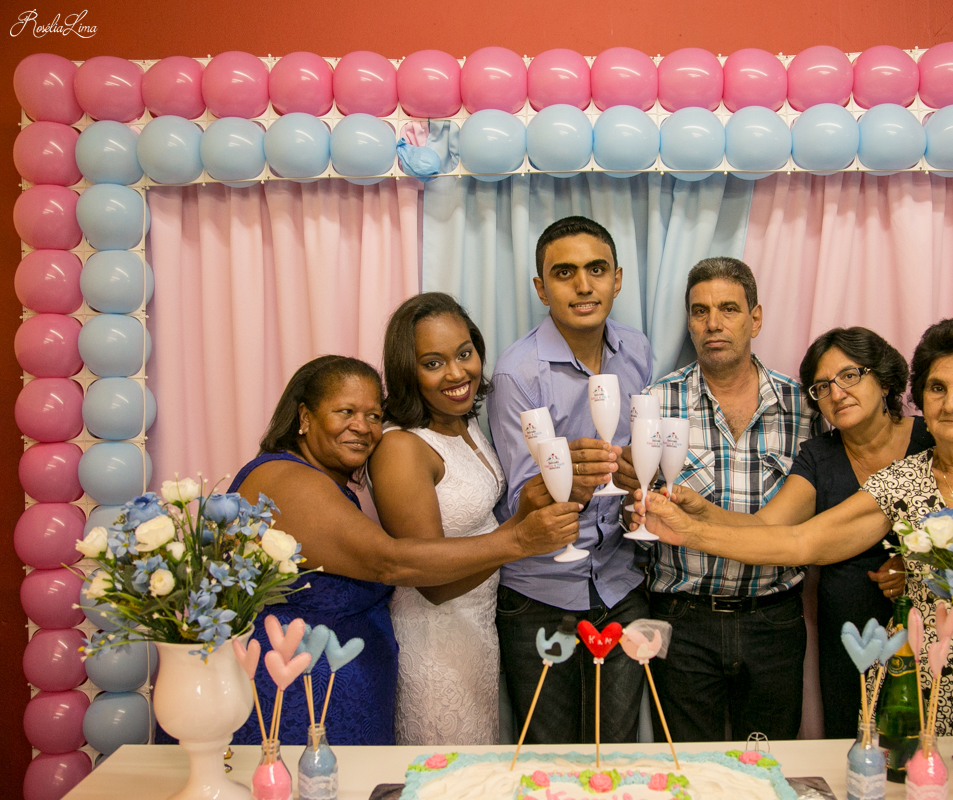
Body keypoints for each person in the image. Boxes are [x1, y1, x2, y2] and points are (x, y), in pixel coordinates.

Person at [636, 317, 953, 747]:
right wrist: (689, 530)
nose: (951, 403)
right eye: (937, 388)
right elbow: (802, 541)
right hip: (927, 701)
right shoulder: (903, 481)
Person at [229, 355, 581, 746]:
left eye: (374, 416)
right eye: (346, 412)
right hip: (293, 708)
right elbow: (389, 562)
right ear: (305, 417)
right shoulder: (285, 480)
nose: (362, 427)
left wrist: (520, 523)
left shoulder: (327, 484)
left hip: (340, 705)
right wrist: (518, 540)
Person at [657, 326, 931, 739]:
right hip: (849, 634)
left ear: (885, 380)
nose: (836, 393)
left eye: (850, 376)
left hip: (928, 630)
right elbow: (770, 528)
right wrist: (701, 512)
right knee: (853, 745)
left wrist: (917, 565)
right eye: (822, 387)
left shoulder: (930, 439)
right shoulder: (820, 455)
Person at [632, 257, 812, 742]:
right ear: (689, 323)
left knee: (771, 763)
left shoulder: (803, 406)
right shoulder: (655, 403)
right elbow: (635, 506)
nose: (713, 323)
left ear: (755, 318)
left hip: (774, 618)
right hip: (682, 619)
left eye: (728, 309)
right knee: (685, 767)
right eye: (700, 311)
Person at [488, 216, 653, 745]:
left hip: (623, 582)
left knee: (614, 749)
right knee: (549, 755)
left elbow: (645, 456)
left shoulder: (638, 351)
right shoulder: (517, 372)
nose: (583, 285)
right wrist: (568, 480)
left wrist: (638, 478)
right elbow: (522, 499)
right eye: (565, 273)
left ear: (617, 280)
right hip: (541, 592)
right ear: (542, 289)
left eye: (596, 270)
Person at [367, 293, 520, 745]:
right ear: (407, 372)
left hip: (477, 633)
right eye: (433, 363)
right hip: (433, 644)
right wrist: (521, 535)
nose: (457, 373)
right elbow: (430, 583)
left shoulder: (463, 420)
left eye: (464, 354)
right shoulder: (401, 447)